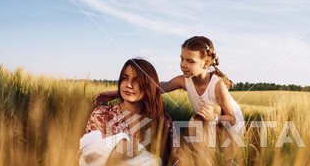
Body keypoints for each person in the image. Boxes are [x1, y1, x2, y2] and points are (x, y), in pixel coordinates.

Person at [95, 36, 244, 137]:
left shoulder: (217, 86)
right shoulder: (183, 81)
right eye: (182, 59)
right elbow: (154, 90)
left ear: (205, 63)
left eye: (190, 61)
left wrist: (214, 117)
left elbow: (231, 119)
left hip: (230, 127)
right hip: (210, 125)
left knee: (228, 165)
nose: (183, 65)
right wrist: (117, 93)